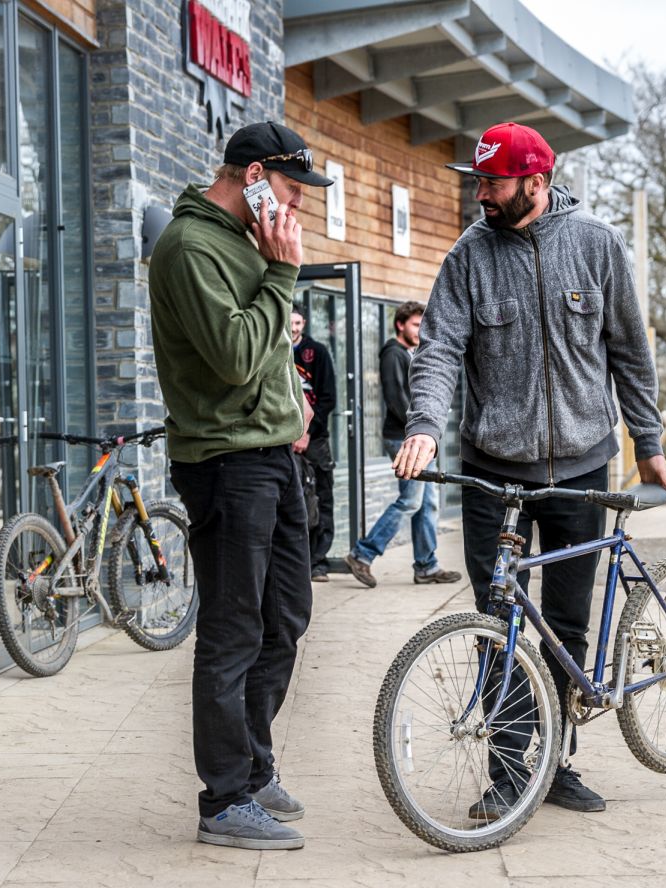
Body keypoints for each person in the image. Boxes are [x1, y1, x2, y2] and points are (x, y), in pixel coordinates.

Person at [393, 122, 666, 819]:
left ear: (537, 184)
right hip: (496, 470)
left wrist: (648, 442)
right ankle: (509, 772)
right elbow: (437, 351)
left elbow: (631, 355)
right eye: (478, 180)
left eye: (491, 182)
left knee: (567, 625)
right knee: (498, 622)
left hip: (583, 466)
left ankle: (557, 760)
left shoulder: (599, 246)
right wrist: (425, 425)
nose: (479, 193)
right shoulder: (469, 255)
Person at [148, 121, 333, 851]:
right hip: (226, 463)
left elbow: (265, 352)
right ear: (254, 175)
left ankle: (253, 770)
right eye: (292, 189)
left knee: (287, 615)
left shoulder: (245, 239)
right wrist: (283, 272)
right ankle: (224, 800)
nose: (298, 207)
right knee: (231, 631)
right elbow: (231, 357)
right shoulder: (190, 245)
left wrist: (291, 399)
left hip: (270, 455)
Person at [343, 301, 462, 589]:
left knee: (427, 503)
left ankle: (426, 565)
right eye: (415, 325)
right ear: (400, 325)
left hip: (414, 439)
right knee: (410, 501)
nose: (420, 331)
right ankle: (363, 553)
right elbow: (397, 399)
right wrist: (419, 432)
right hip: (404, 438)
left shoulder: (409, 353)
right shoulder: (393, 354)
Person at [289, 305, 337, 581]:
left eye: (297, 322)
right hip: (286, 439)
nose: (293, 327)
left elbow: (328, 398)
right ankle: (297, 562)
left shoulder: (316, 352)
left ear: (304, 323)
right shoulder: (276, 348)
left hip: (315, 439)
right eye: (289, 322)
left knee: (322, 496)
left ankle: (319, 562)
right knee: (295, 499)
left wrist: (307, 432)